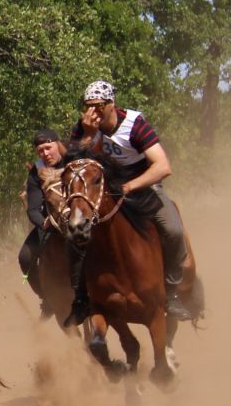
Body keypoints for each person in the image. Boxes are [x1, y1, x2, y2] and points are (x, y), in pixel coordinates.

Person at [67, 79, 200, 322]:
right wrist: (87, 136)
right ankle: (82, 298)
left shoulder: (134, 124)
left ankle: (172, 293)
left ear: (111, 104)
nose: (92, 111)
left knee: (173, 231)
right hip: (102, 192)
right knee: (76, 233)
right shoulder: (84, 127)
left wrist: (129, 186)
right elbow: (73, 164)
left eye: (98, 105)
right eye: (88, 105)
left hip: (141, 185)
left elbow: (162, 166)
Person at [18, 129, 67, 307]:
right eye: (40, 151)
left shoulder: (74, 160)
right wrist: (44, 223)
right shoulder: (36, 172)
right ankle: (46, 297)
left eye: (48, 148)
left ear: (57, 144)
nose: (45, 154)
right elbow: (33, 210)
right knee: (24, 257)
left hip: (80, 217)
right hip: (52, 223)